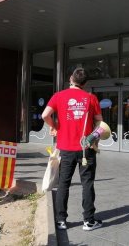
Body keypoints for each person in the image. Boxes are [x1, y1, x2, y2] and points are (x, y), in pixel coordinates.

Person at [42, 68, 104, 231]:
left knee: (63, 183)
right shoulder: (91, 98)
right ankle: (88, 221)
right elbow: (100, 124)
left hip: (65, 148)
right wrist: (93, 137)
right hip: (86, 148)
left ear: (71, 78)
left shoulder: (58, 96)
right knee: (87, 183)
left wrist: (53, 126)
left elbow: (44, 115)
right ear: (85, 83)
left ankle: (61, 220)